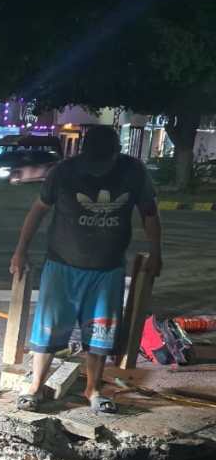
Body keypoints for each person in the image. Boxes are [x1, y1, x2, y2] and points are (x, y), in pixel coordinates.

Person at [9, 124, 162, 415]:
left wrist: (156, 252)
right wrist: (20, 250)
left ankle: (93, 390)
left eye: (104, 162)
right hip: (62, 266)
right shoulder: (64, 172)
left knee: (101, 333)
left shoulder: (133, 172)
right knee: (48, 330)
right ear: (83, 153)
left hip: (107, 269)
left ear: (117, 153)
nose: (98, 169)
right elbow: (38, 210)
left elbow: (149, 214)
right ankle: (35, 387)